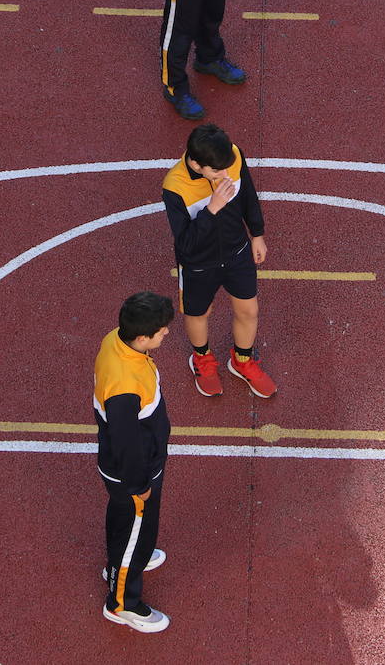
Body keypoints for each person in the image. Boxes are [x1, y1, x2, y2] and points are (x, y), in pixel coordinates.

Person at [161, 124, 275, 399]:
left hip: (237, 252)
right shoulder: (174, 186)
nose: (225, 175)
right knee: (198, 314)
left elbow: (247, 195)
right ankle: (201, 359)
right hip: (199, 264)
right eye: (216, 171)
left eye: (227, 167)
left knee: (248, 310)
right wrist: (212, 208)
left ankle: (242, 361)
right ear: (196, 164)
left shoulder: (231, 156)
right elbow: (186, 242)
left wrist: (257, 234)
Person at [95, 291, 175, 633]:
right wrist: (140, 485)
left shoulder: (116, 340)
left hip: (121, 471)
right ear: (142, 337)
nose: (167, 333)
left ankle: (118, 563)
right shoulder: (125, 388)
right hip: (133, 474)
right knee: (137, 529)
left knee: (123, 520)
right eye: (161, 330)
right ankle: (122, 604)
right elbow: (127, 442)